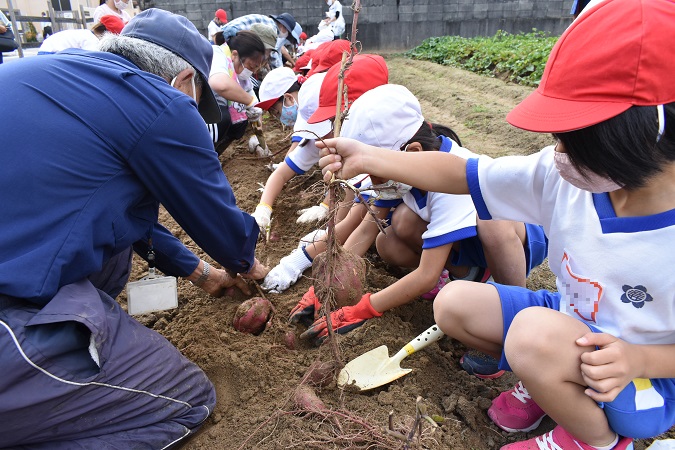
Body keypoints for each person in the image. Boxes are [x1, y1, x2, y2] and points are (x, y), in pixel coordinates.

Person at [318, 0, 675, 448]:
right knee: (453, 304)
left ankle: (593, 440)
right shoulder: (562, 176)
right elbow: (463, 173)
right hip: (573, 323)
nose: (558, 151)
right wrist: (369, 156)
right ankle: (552, 381)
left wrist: (638, 359)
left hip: (647, 377)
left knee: (529, 335)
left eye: (573, 139)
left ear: (642, 133)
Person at [0, 8, 266, 448]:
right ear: (185, 81)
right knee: (188, 400)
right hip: (9, 329)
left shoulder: (49, 73)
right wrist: (244, 261)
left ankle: (74, 354)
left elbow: (117, 216)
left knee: (115, 237)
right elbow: (225, 232)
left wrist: (200, 273)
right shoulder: (162, 102)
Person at [297, 84, 547, 348]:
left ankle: (511, 314)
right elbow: (366, 230)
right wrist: (326, 284)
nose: (372, 181)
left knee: (492, 222)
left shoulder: (451, 181)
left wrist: (363, 309)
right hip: (473, 244)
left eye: (374, 173)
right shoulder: (399, 174)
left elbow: (426, 275)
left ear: (412, 152)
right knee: (390, 235)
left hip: (520, 241)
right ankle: (469, 275)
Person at [252, 54, 388, 240]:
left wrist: (328, 213)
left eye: (329, 123)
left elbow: (354, 197)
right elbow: (282, 172)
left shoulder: (370, 143)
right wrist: (263, 209)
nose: (323, 137)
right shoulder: (317, 139)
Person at [207, 30, 266, 154]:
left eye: (256, 68)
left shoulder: (241, 76)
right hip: (196, 110)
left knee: (240, 122)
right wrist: (250, 102)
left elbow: (251, 95)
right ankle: (202, 156)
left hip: (212, 110)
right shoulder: (217, 54)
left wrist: (257, 121)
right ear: (234, 55)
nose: (252, 72)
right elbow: (219, 83)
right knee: (222, 117)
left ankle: (214, 154)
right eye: (251, 66)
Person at [220, 13, 301, 70]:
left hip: (229, 36)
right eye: (288, 33)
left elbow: (276, 52)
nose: (287, 36)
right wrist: (280, 72)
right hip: (229, 36)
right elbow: (273, 55)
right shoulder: (271, 29)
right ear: (283, 26)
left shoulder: (269, 23)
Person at [37, 15, 124, 54]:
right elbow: (92, 59)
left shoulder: (86, 33)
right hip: (51, 54)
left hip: (47, 49)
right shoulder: (92, 41)